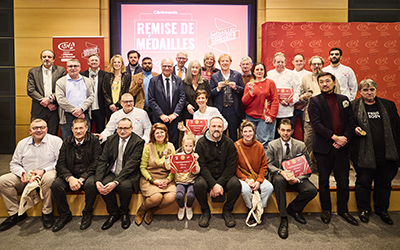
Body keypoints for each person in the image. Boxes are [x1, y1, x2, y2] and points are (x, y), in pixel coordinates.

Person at [308, 72, 358, 226]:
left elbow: (351, 121)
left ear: (334, 82)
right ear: (318, 84)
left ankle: (343, 210)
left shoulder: (344, 100)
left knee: (343, 181)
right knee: (323, 181)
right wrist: (335, 138)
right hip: (324, 148)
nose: (324, 84)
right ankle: (326, 210)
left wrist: (345, 138)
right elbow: (316, 124)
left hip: (342, 148)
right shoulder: (314, 101)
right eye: (321, 82)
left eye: (327, 81)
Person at [350, 79, 400, 225]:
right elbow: (348, 125)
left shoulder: (388, 105)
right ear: (360, 92)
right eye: (365, 90)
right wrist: (354, 130)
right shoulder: (353, 107)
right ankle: (364, 209)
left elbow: (397, 128)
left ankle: (382, 210)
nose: (369, 92)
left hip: (387, 154)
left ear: (376, 90)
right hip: (363, 154)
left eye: (371, 89)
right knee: (363, 183)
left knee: (384, 184)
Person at [0, 119, 63, 231]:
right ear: (30, 131)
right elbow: (14, 164)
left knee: (50, 178)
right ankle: (15, 214)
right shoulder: (22, 143)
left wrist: (43, 170)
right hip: (26, 177)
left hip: (45, 174)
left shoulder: (56, 141)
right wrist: (23, 173)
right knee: (3, 181)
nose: (39, 130)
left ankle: (47, 212)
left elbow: (60, 162)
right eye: (35, 128)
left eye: (42, 127)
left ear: (47, 129)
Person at [267, 119, 317, 239]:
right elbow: (269, 165)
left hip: (297, 177)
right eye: (283, 130)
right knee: (278, 180)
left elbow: (309, 167)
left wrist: (298, 179)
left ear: (292, 131)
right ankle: (283, 217)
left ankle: (293, 209)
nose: (285, 133)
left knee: (312, 190)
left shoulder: (300, 145)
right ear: (278, 130)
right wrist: (281, 172)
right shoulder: (272, 145)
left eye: (288, 130)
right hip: (280, 176)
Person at [51, 118, 101, 232]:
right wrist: (70, 178)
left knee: (91, 184)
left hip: (88, 174)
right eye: (76, 128)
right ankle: (65, 214)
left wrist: (82, 178)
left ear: (86, 128)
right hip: (72, 174)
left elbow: (96, 162)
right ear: (72, 129)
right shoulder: (67, 141)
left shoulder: (94, 140)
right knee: (56, 185)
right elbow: (61, 164)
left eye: (81, 128)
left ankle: (87, 213)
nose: (78, 131)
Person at [95, 118, 145, 230]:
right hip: (112, 171)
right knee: (103, 185)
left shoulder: (138, 142)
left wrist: (116, 182)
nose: (122, 131)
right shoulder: (111, 139)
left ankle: (124, 213)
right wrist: (98, 180)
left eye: (126, 128)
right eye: (120, 128)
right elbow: (103, 160)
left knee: (125, 187)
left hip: (128, 174)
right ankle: (113, 213)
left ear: (131, 129)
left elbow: (130, 166)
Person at [194, 117, 241, 228]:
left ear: (223, 128)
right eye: (214, 126)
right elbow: (202, 166)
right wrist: (213, 184)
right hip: (207, 176)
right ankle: (205, 211)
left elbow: (231, 166)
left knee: (236, 185)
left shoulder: (229, 143)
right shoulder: (200, 143)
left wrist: (219, 183)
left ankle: (227, 210)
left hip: (224, 175)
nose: (216, 129)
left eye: (219, 126)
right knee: (198, 185)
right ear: (209, 127)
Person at [135, 123, 176, 225]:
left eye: (162, 132)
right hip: (150, 177)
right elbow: (143, 167)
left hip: (166, 177)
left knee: (171, 197)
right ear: (153, 135)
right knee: (156, 197)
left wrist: (168, 180)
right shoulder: (148, 147)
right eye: (156, 133)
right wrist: (153, 180)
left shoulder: (170, 146)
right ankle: (141, 211)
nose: (159, 134)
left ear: (166, 133)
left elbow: (174, 167)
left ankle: (152, 210)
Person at [235, 120, 273, 225]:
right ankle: (251, 209)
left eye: (250, 131)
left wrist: (259, 180)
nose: (248, 134)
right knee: (245, 190)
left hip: (256, 176)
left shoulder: (259, 146)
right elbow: (235, 167)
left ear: (254, 132)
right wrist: (246, 179)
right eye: (245, 131)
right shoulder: (236, 146)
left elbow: (264, 165)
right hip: (243, 177)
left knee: (269, 187)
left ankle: (260, 208)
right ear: (241, 133)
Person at [300, 56, 340, 155]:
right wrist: (304, 97)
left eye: (319, 64)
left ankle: (326, 165)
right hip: (309, 118)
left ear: (322, 65)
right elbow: (300, 97)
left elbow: (337, 95)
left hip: (327, 117)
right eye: (314, 64)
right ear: (310, 66)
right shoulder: (305, 79)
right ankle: (307, 166)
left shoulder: (330, 77)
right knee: (308, 142)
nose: (316, 66)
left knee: (327, 140)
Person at [148, 57, 186, 149]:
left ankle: (172, 162)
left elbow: (182, 97)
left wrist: (175, 114)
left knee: (174, 142)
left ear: (173, 67)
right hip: (159, 118)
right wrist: (161, 115)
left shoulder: (178, 80)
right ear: (161, 67)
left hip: (174, 118)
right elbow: (151, 99)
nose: (167, 68)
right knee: (159, 141)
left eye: (169, 66)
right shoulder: (154, 81)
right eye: (164, 66)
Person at [242, 62, 279, 152]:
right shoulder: (249, 84)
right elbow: (244, 102)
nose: (259, 71)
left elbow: (275, 100)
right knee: (250, 142)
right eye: (257, 69)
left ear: (264, 71)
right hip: (250, 117)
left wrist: (271, 116)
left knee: (264, 143)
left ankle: (265, 165)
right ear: (253, 72)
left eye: (261, 69)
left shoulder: (270, 83)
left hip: (265, 118)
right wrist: (250, 92)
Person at [27, 49, 66, 135]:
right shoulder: (33, 72)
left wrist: (51, 99)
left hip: (54, 109)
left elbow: (63, 89)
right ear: (41, 59)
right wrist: (47, 103)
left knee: (52, 134)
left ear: (53, 59)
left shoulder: (60, 70)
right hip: (38, 109)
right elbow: (31, 90)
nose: (47, 59)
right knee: (36, 134)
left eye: (49, 57)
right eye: (44, 57)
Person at [55, 59, 94, 139]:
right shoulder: (60, 82)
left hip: (84, 115)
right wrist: (75, 110)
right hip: (67, 117)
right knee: (68, 141)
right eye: (70, 66)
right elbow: (60, 99)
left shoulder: (87, 81)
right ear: (67, 68)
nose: (73, 68)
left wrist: (82, 109)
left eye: (75, 66)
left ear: (80, 68)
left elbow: (91, 96)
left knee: (86, 141)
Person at [165, 133, 200, 221]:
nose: (188, 148)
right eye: (186, 146)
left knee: (191, 195)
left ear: (194, 146)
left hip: (191, 182)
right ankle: (181, 207)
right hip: (180, 182)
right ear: (183, 145)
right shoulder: (177, 156)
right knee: (179, 196)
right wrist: (167, 158)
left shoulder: (194, 157)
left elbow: (197, 171)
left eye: (190, 146)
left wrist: (195, 162)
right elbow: (168, 167)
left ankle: (189, 207)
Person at [210, 54, 245, 141]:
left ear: (230, 63)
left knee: (233, 134)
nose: (225, 63)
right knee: (221, 135)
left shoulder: (236, 75)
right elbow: (210, 94)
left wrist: (235, 87)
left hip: (233, 109)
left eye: (227, 61)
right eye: (223, 61)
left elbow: (243, 90)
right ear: (219, 63)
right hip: (220, 110)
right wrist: (218, 88)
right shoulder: (214, 76)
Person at [267, 52, 300, 138]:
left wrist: (290, 102)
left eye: (282, 62)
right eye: (278, 62)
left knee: (286, 136)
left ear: (285, 63)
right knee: (273, 137)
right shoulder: (269, 75)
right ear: (274, 63)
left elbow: (297, 92)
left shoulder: (293, 75)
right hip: (272, 113)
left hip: (287, 112)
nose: (280, 64)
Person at [81, 54, 107, 133]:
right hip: (86, 108)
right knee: (85, 130)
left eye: (96, 60)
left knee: (100, 130)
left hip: (99, 107)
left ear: (99, 62)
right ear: (88, 62)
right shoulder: (82, 75)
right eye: (92, 60)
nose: (94, 62)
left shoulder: (105, 75)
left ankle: (100, 146)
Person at [102, 54, 131, 121]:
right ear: (112, 64)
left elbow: (126, 91)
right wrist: (111, 104)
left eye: (119, 62)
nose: (116, 64)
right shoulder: (107, 76)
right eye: (114, 62)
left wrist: (117, 104)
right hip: (109, 107)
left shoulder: (127, 77)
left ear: (122, 64)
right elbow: (104, 91)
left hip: (122, 106)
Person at [291, 54, 311, 135]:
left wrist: (303, 102)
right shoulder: (289, 74)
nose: (299, 63)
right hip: (291, 107)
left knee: (306, 131)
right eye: (297, 61)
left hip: (305, 107)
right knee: (289, 130)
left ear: (304, 62)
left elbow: (311, 91)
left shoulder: (309, 75)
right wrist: (295, 102)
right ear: (293, 62)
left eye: (300, 61)